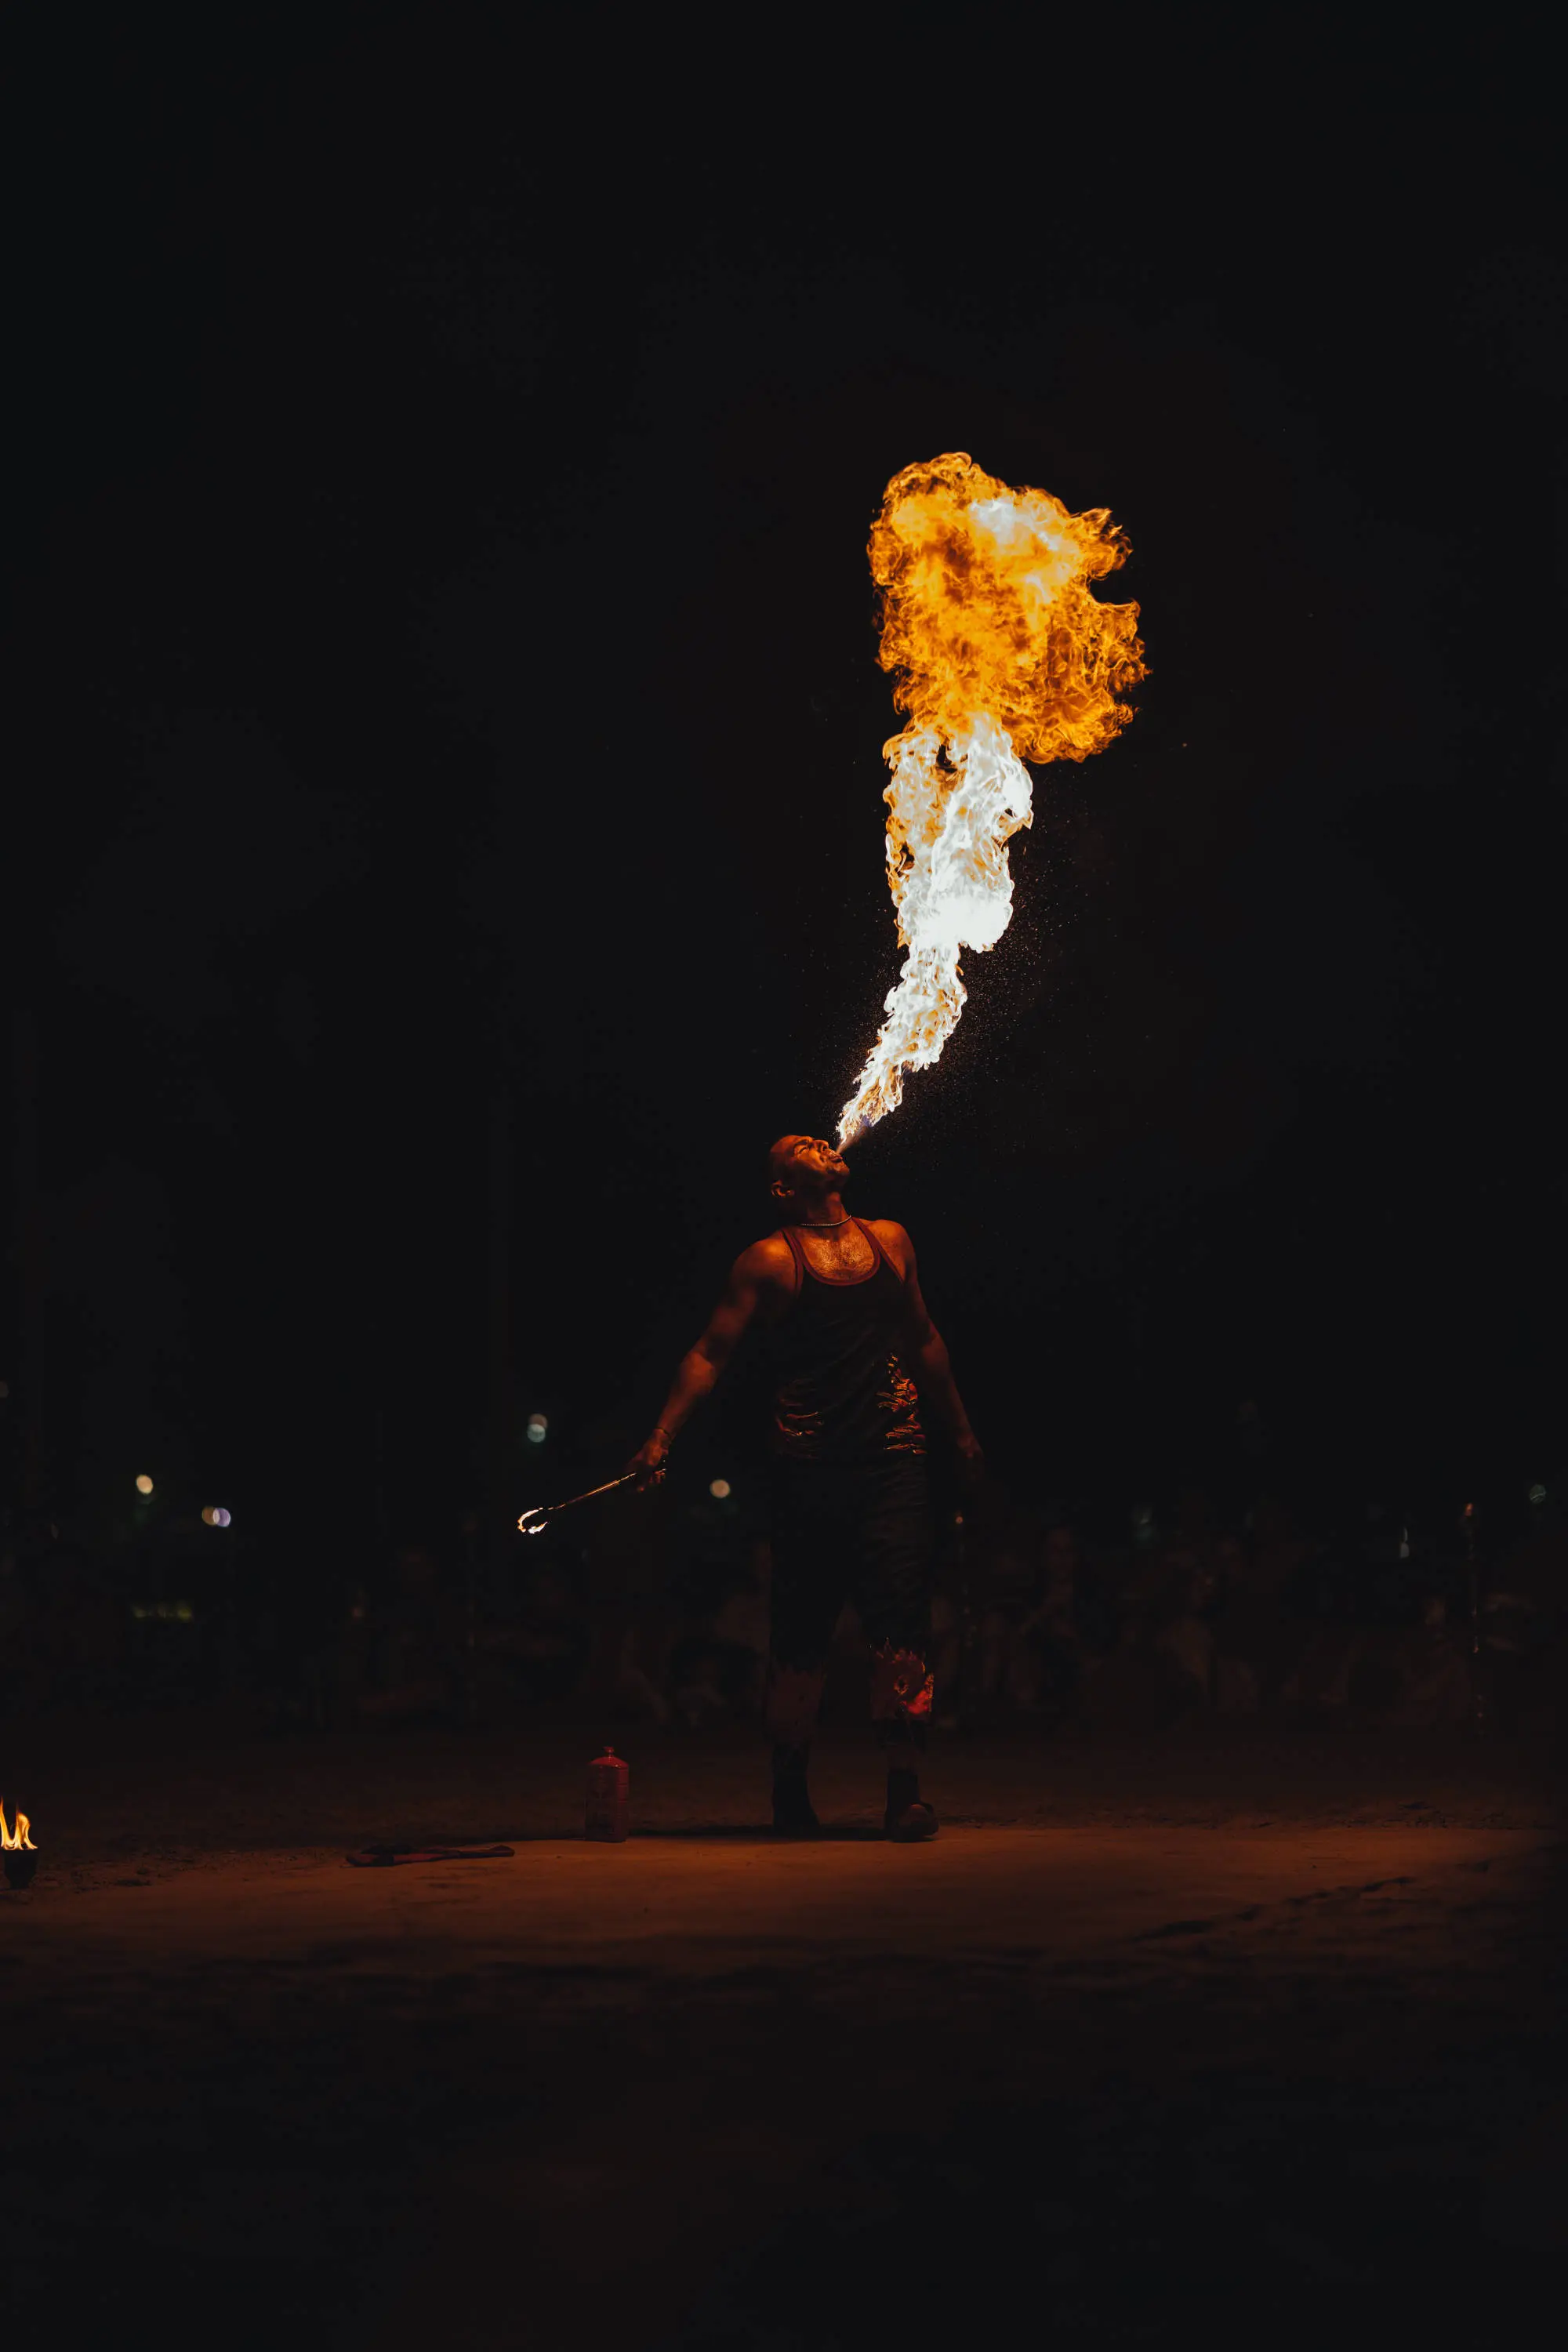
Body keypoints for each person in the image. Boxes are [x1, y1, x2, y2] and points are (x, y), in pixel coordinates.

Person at [629, 1134, 982, 1840]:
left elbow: (924, 1338)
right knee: (800, 1631)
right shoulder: (769, 1261)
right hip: (808, 1467)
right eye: (798, 1147)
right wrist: (660, 1436)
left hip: (894, 1460)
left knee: (901, 1623)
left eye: (816, 1140)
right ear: (782, 1188)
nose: (818, 1142)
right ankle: (789, 1790)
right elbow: (709, 1353)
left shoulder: (891, 1240)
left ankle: (904, 1793)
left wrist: (962, 1430)